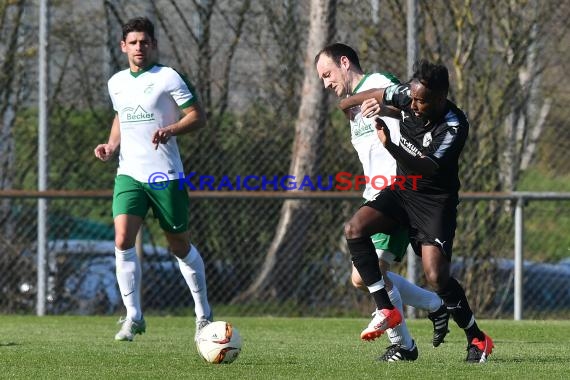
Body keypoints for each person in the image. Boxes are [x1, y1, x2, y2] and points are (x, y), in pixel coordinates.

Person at [339, 59, 494, 363]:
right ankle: (386, 308)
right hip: (402, 190)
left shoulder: (454, 125)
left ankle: (477, 337)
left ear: (439, 98)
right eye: (411, 96)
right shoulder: (409, 95)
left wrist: (391, 146)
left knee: (436, 276)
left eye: (420, 100)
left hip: (435, 202)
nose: (413, 103)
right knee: (354, 228)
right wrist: (355, 105)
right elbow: (379, 94)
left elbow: (426, 167)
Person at [314, 43, 449, 362]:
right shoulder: (351, 105)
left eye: (328, 74)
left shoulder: (378, 81)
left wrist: (381, 105)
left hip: (398, 191)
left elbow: (414, 106)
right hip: (375, 193)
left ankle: (403, 344)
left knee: (368, 273)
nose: (326, 83)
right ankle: (433, 308)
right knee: (363, 276)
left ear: (344, 63)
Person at [94, 17, 213, 342]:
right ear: (123, 46)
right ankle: (133, 317)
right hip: (129, 174)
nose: (138, 47)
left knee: (179, 245)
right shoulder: (116, 82)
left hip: (165, 176)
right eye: (132, 42)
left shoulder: (168, 77)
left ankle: (203, 314)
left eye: (144, 42)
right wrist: (111, 145)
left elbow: (198, 117)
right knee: (122, 240)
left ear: (153, 45)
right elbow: (121, 116)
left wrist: (171, 130)